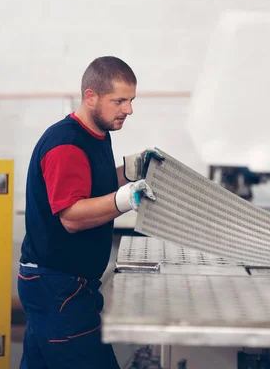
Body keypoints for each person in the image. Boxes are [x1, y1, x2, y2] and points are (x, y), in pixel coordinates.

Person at [17, 56, 163, 368]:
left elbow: (92, 183)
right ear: (91, 96)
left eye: (131, 100)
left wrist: (134, 171)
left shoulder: (96, 134)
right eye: (119, 101)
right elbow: (72, 216)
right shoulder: (65, 144)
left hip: (62, 283)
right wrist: (125, 199)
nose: (129, 110)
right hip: (57, 287)